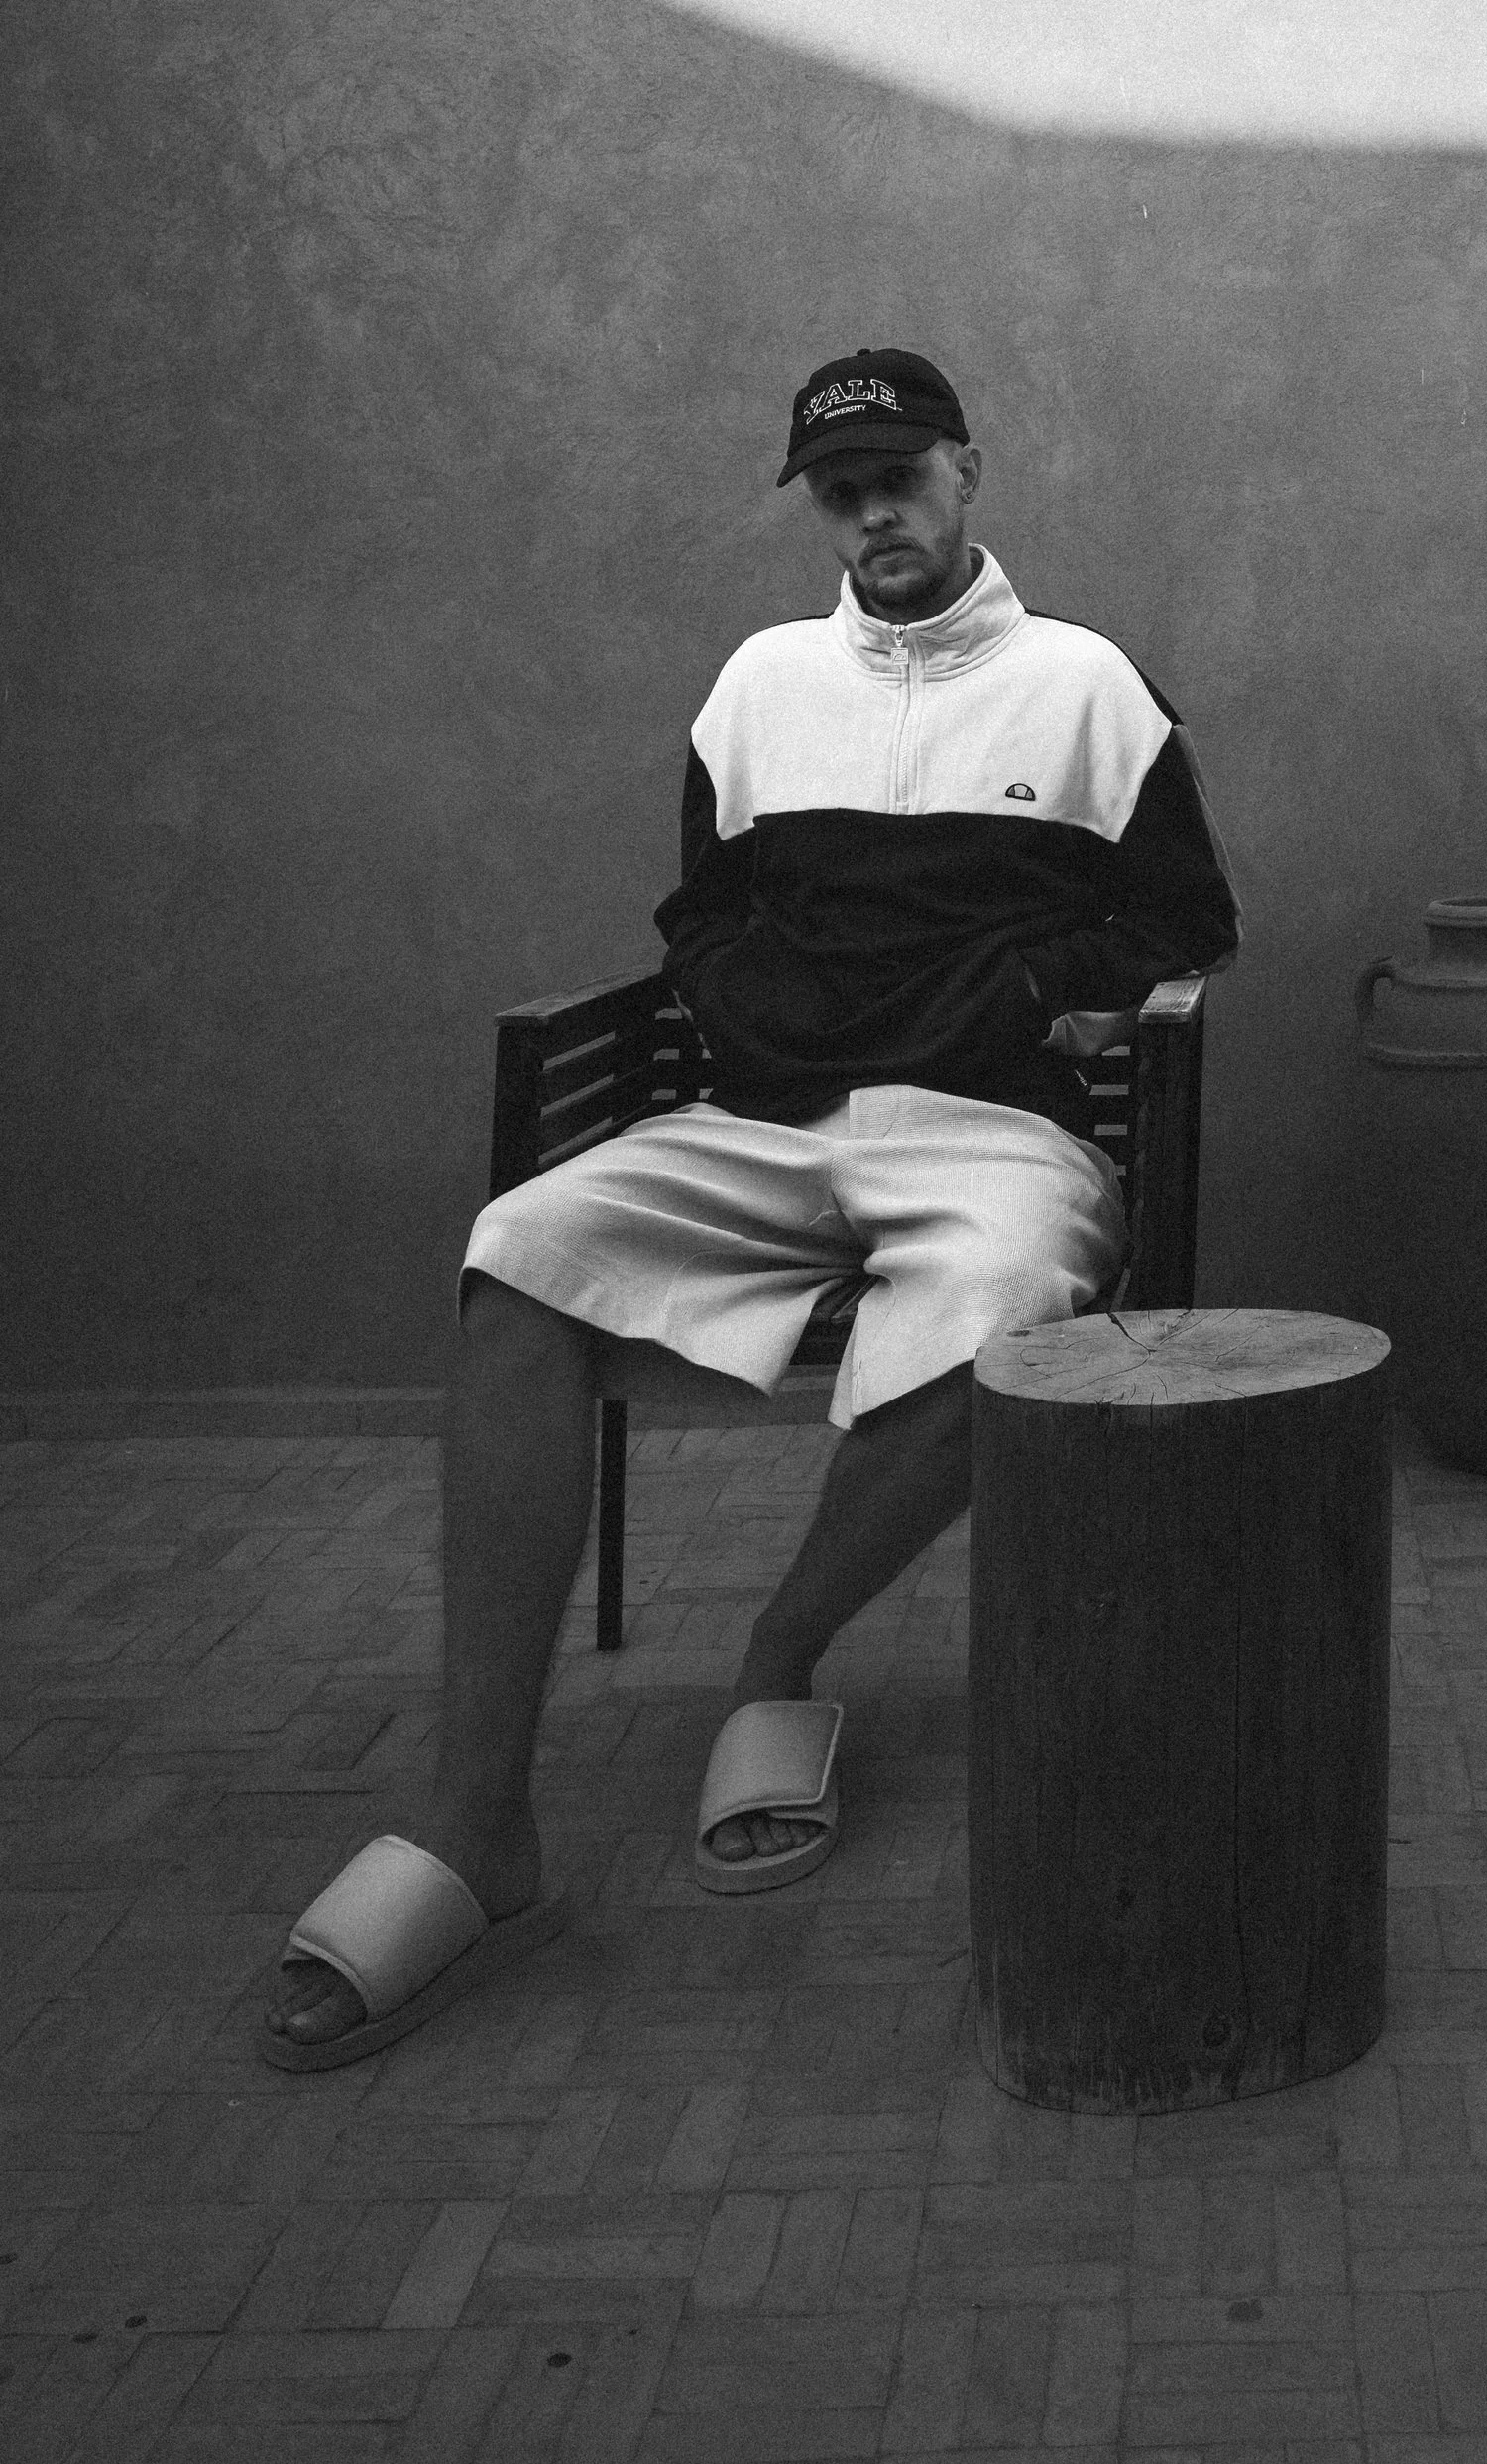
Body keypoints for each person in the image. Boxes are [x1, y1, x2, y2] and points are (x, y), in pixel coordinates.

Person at [264, 347, 1240, 2067]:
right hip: (762, 1122)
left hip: (991, 1133)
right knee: (516, 1260)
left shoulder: (1089, 687)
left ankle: (780, 1655)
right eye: (841, 492)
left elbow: (1182, 926)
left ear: (967, 470)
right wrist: (746, 1006)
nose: (873, 515)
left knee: (1005, 1321)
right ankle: (476, 1823)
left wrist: (1026, 997)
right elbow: (702, 917)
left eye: (901, 479)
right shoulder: (759, 685)